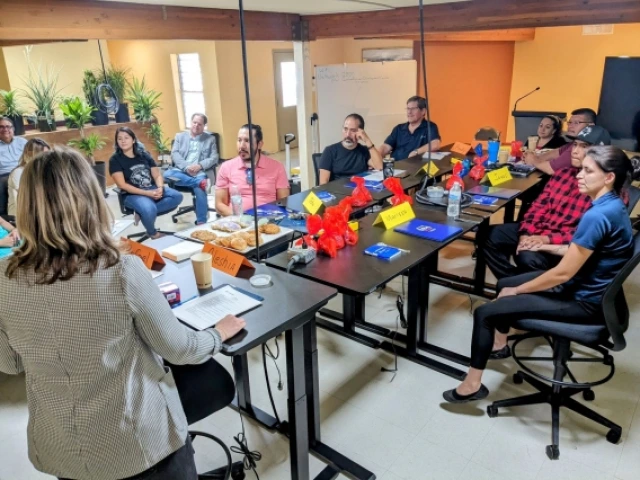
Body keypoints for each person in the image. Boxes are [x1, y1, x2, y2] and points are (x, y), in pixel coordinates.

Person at [0, 146, 247, 479]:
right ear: (89, 199)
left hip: (61, 449)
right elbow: (179, 348)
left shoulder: (5, 278)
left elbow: (11, 363)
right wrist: (218, 333)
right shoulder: (120, 270)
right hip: (137, 447)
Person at [444, 145, 639, 403]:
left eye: (588, 171)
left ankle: (471, 385)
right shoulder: (613, 205)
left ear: (609, 177)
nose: (579, 175)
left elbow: (561, 274)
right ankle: (500, 344)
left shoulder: (598, 215)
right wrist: (543, 245)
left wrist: (517, 291)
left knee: (485, 311)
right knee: (504, 283)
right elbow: (579, 250)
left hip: (582, 300)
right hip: (593, 290)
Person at [478, 125, 612, 281]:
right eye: (575, 145)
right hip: (540, 230)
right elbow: (538, 207)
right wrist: (526, 234)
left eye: (584, 147)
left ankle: (526, 289)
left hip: (562, 244)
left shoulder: (605, 187)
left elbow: (585, 235)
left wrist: (545, 240)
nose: (575, 151)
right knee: (488, 234)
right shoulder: (563, 174)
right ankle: (512, 284)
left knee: (527, 257)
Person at [109, 127, 183, 239]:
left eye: (126, 138)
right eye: (119, 139)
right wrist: (147, 194)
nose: (123, 141)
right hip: (131, 194)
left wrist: (160, 188)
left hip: (152, 188)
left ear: (133, 140)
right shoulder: (115, 160)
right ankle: (153, 233)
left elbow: (157, 175)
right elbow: (122, 185)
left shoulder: (144, 155)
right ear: (117, 142)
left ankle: (140, 212)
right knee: (148, 209)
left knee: (177, 196)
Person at [215, 124, 289, 215]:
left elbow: (283, 202)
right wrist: (241, 219)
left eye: (247, 141)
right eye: (239, 140)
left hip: (268, 220)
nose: (242, 146)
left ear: (260, 144)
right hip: (238, 222)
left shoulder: (277, 167)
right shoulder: (226, 167)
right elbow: (220, 204)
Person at [164, 113, 218, 225]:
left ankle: (201, 221)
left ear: (204, 126)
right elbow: (174, 154)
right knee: (166, 174)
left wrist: (199, 166)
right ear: (190, 122)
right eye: (194, 122)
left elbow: (214, 157)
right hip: (182, 171)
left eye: (200, 124)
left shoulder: (210, 139)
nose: (196, 125)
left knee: (199, 189)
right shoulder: (180, 136)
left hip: (200, 172)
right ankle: (198, 183)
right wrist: (186, 167)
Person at [524, 108, 596, 175]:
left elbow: (550, 169)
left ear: (590, 126)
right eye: (570, 122)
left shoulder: (583, 145)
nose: (570, 126)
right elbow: (557, 152)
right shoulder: (573, 143)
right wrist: (536, 157)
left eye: (576, 123)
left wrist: (533, 160)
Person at [319, 113, 383, 184]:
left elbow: (379, 167)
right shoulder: (330, 151)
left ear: (360, 132)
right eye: (345, 129)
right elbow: (323, 183)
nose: (347, 134)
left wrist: (367, 140)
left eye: (353, 130)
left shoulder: (364, 151)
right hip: (338, 192)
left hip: (359, 191)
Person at [379, 96, 441, 161]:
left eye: (413, 109)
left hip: (415, 167)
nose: (409, 112)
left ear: (423, 111)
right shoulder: (399, 128)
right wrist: (377, 157)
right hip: (395, 167)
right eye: (408, 109)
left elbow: (435, 144)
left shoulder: (430, 127)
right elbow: (385, 147)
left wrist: (416, 152)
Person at [7, 138, 50, 217]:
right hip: (19, 217)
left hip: (40, 214)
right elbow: (27, 201)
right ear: (30, 154)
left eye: (48, 155)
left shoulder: (43, 171)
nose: (47, 159)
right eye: (43, 155)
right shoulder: (18, 173)